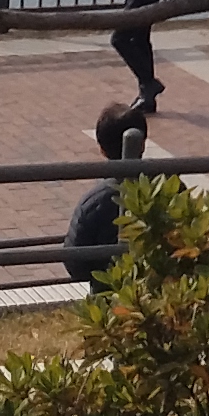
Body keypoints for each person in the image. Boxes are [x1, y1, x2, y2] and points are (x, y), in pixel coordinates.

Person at [60, 98, 152, 283]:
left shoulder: (94, 202)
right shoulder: (170, 187)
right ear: (143, 143)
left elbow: (74, 260)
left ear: (101, 149)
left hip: (109, 293)